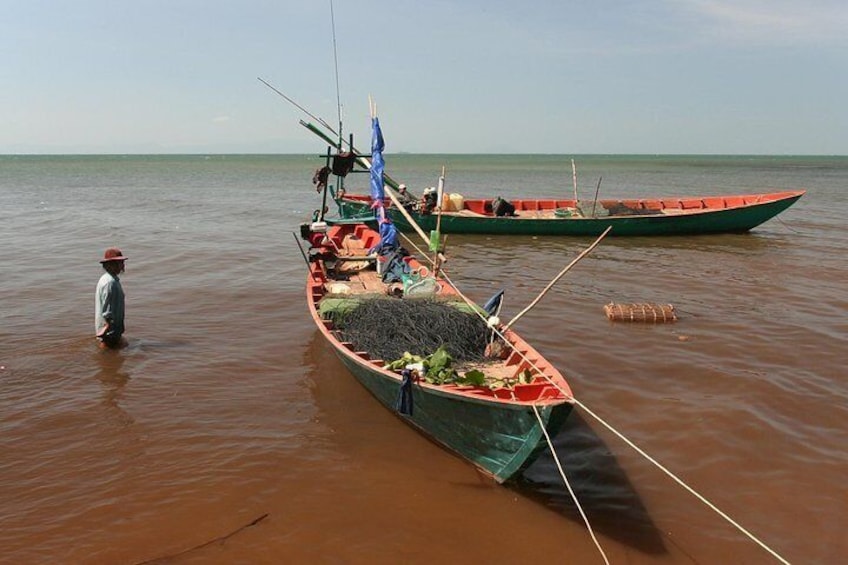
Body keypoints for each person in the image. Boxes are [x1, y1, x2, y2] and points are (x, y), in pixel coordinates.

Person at [95, 247, 128, 349]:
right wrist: (107, 329)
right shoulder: (110, 283)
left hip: (109, 329)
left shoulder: (107, 279)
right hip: (110, 331)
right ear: (110, 265)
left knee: (111, 358)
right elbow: (107, 310)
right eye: (119, 263)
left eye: (122, 262)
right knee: (109, 352)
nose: (122, 265)